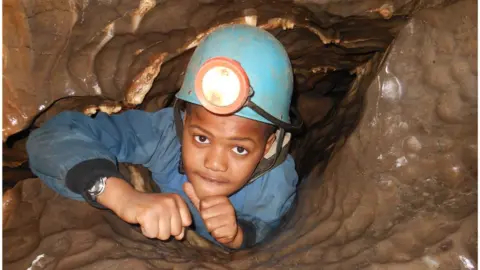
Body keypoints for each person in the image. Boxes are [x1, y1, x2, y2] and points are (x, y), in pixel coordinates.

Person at [26, 24, 303, 250]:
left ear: (268, 145)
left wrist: (240, 235)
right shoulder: (165, 138)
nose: (215, 164)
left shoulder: (275, 182)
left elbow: (272, 230)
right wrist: (122, 196)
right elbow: (52, 137)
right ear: (182, 122)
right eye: (202, 139)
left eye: (240, 149)